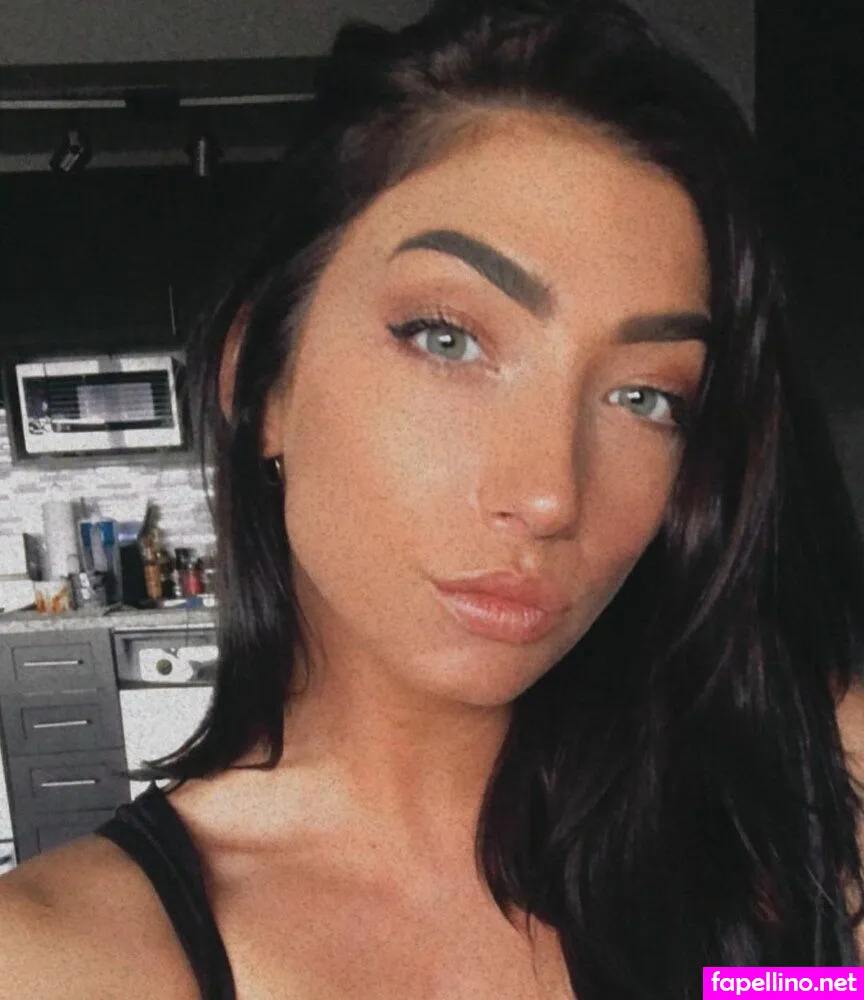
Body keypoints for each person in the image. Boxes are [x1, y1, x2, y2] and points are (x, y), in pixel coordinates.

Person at [2, 0, 864, 996]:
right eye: (447, 339)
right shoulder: (60, 960)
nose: (549, 494)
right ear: (262, 380)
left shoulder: (806, 805)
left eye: (645, 397)